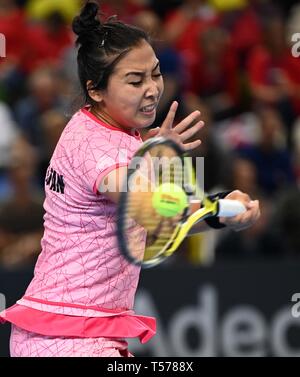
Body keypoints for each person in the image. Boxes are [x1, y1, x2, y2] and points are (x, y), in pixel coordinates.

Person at [0, 1, 260, 357]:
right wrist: (224, 209)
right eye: (135, 80)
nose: (152, 88)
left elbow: (151, 229)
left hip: (78, 329)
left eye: (155, 74)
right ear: (95, 89)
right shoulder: (100, 151)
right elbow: (152, 209)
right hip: (67, 337)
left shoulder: (98, 126)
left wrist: (151, 152)